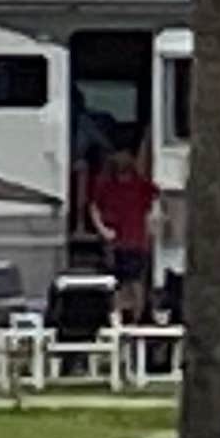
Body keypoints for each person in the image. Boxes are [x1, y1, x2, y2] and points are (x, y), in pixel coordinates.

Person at [87, 136, 159, 318]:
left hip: (137, 241)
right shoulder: (106, 185)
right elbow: (94, 207)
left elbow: (156, 201)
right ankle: (118, 316)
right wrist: (103, 230)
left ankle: (136, 318)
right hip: (116, 242)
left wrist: (153, 223)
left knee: (135, 282)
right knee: (117, 282)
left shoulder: (141, 185)